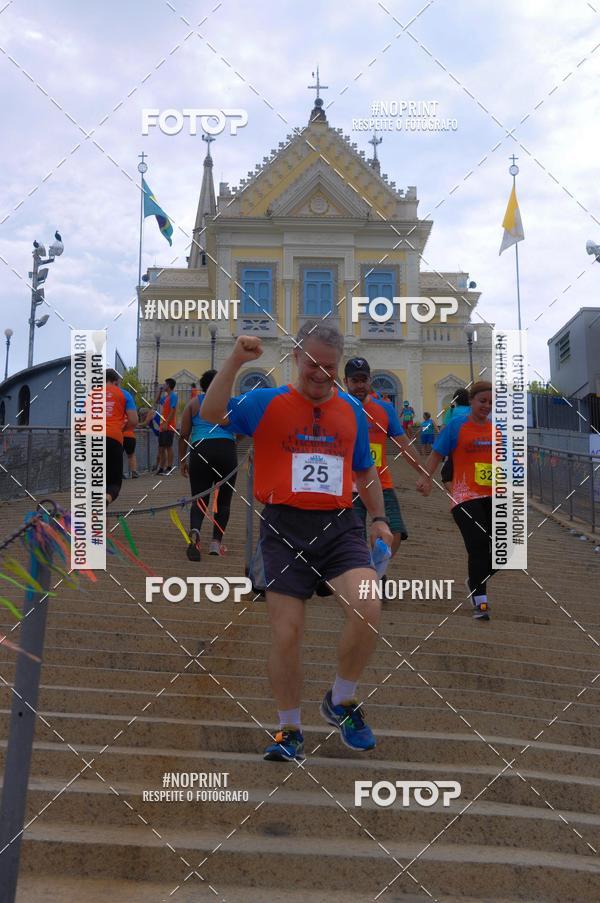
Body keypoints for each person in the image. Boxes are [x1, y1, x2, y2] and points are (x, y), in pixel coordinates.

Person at [202, 322, 393, 762]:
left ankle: (341, 700)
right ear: (296, 358)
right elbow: (211, 415)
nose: (320, 374)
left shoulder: (350, 412)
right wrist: (234, 361)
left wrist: (379, 518)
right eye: (312, 364)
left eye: (329, 367)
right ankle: (289, 730)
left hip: (340, 526)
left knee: (368, 606)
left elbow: (363, 470)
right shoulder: (266, 402)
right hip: (284, 528)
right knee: (287, 633)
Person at [416, 382, 494, 620]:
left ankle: (475, 579)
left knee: (508, 551)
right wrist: (425, 478)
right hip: (464, 495)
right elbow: (437, 454)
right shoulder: (456, 425)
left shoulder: (496, 429)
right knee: (479, 545)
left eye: (491, 402)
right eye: (482, 401)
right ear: (471, 401)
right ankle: (480, 601)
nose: (486, 406)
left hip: (493, 494)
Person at [343, 357, 423, 585]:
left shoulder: (384, 409)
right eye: (354, 380)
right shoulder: (338, 407)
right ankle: (366, 576)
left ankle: (376, 570)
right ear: (345, 381)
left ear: (370, 381)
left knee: (395, 532)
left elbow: (403, 443)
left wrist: (424, 472)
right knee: (353, 536)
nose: (359, 385)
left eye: (363, 380)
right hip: (348, 486)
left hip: (381, 483)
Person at [178, 369, 238, 561]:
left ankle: (195, 535)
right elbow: (244, 429)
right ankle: (216, 543)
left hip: (200, 450)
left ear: (203, 386)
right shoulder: (230, 404)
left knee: (200, 499)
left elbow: (184, 433)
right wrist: (231, 441)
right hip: (226, 450)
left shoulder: (194, 404)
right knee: (223, 501)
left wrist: (182, 460)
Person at [104, 369, 138, 504]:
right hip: (112, 437)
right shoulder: (124, 394)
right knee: (113, 483)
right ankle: (105, 500)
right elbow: (134, 420)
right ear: (116, 381)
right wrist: (121, 428)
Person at [146, 379, 178, 474]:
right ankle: (161, 467)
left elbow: (173, 410)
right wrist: (160, 391)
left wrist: (166, 423)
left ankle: (169, 467)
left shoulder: (173, 396)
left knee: (168, 446)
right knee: (161, 447)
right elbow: (156, 401)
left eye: (164, 384)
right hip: (163, 426)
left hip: (168, 426)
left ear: (168, 385)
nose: (163, 385)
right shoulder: (167, 397)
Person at [441, 388, 470, 486]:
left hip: (456, 446)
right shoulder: (473, 410)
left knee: (446, 476)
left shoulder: (452, 410)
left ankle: (457, 496)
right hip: (472, 445)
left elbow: (444, 428)